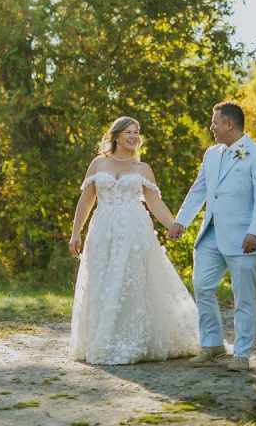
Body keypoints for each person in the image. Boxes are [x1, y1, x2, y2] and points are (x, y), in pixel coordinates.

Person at [68, 116, 198, 365]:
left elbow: (154, 202)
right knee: (103, 281)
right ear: (115, 135)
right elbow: (86, 201)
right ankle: (102, 339)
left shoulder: (142, 168)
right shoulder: (98, 164)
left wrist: (172, 225)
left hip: (134, 231)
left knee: (131, 282)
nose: (134, 137)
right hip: (103, 230)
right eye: (129, 132)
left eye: (137, 132)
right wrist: (76, 232)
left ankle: (135, 339)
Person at [168, 101, 256, 372]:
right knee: (202, 286)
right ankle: (214, 345)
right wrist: (181, 220)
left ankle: (241, 354)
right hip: (210, 235)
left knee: (244, 297)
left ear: (229, 123)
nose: (211, 127)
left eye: (214, 122)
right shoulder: (211, 154)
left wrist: (255, 232)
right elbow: (199, 189)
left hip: (244, 237)